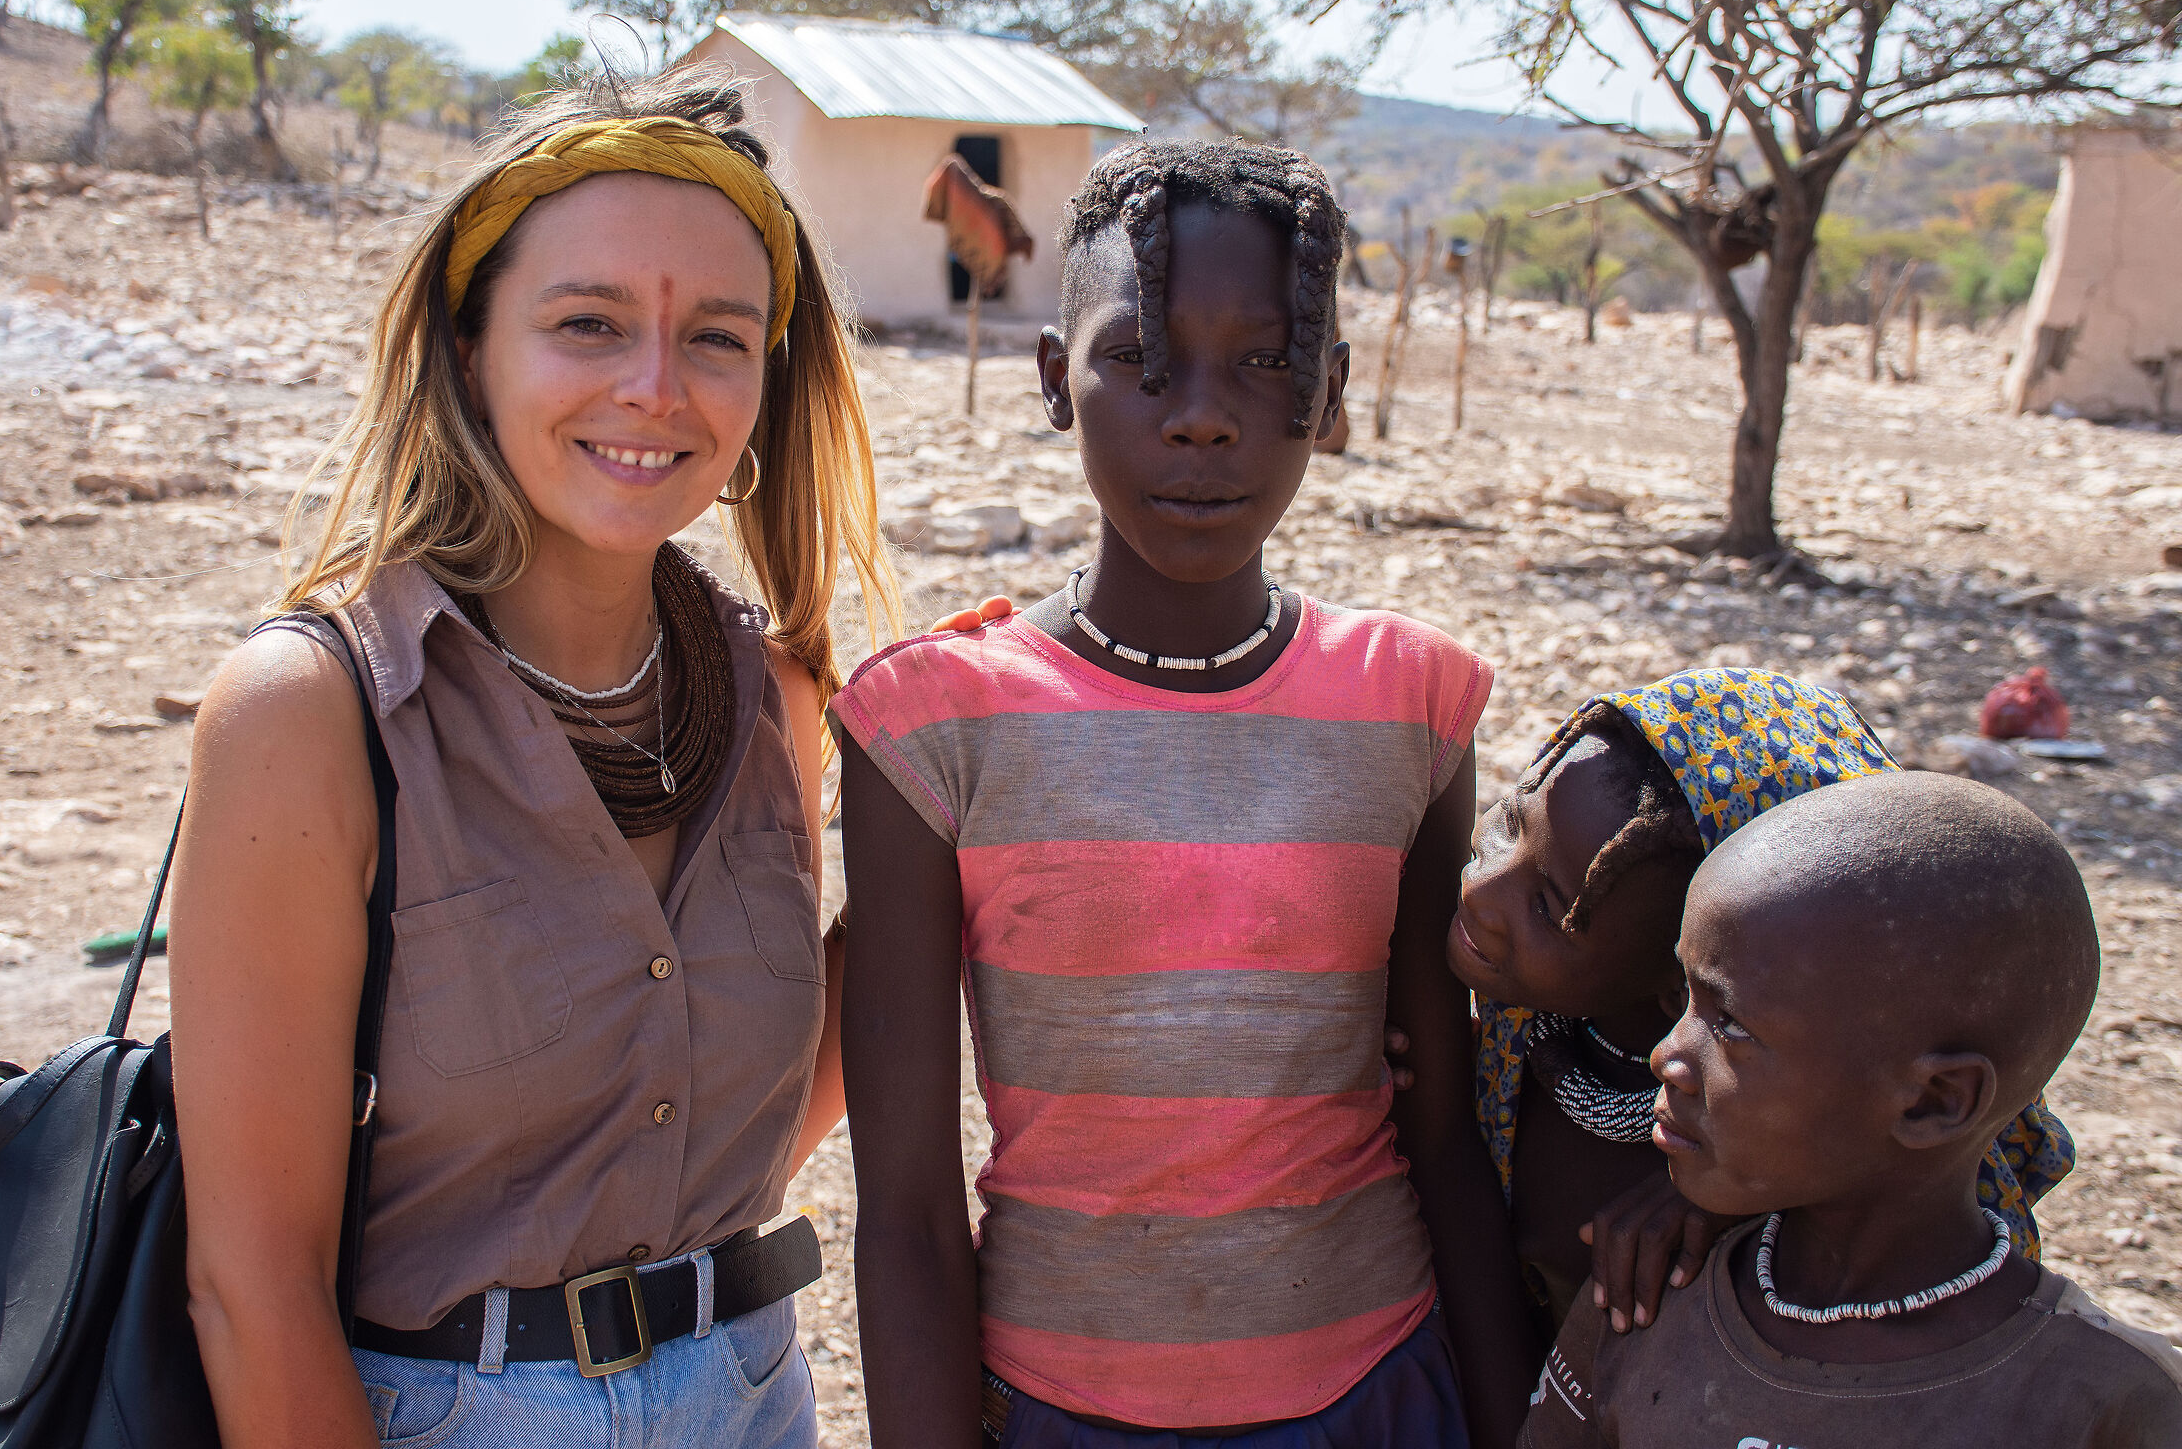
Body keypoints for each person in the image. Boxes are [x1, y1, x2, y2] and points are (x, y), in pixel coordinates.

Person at [167, 66, 898, 1449]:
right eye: (588, 323)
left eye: (719, 339)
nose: (655, 388)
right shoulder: (315, 714)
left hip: (748, 1397)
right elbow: (246, 1285)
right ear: (468, 349)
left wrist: (962, 797)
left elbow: (715, 1130)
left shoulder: (772, 702)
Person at [833, 138, 1537, 1449]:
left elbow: (1446, 1138)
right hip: (1063, 1405)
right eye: (1141, 359)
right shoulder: (933, 731)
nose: (1202, 415)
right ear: (1056, 380)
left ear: (1326, 396)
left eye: (1264, 363)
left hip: (1379, 1393)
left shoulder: (1410, 705)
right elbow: (913, 1215)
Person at [1522, 771, 2182, 1446]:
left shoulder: (2101, 1404)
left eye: (1732, 1027)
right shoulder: (1645, 1300)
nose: (1667, 1056)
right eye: (1685, 1001)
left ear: (1932, 1103)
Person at [1451, 670, 2072, 1337]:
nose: (1482, 893)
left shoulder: (1808, 1152)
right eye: (1511, 822)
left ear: (1685, 957)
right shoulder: (1511, 1038)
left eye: (1550, 907)